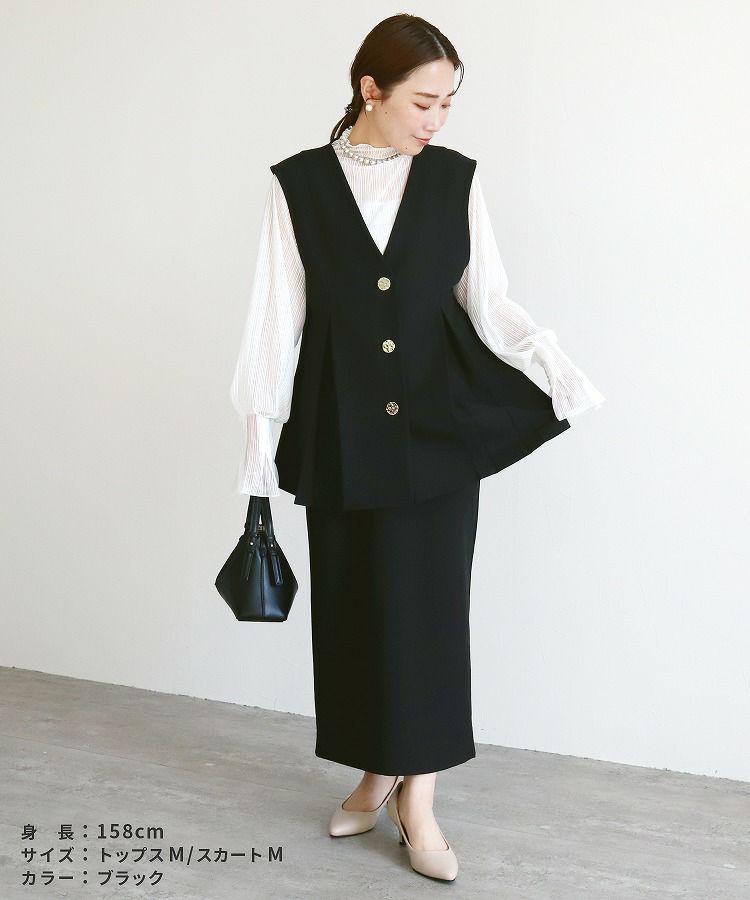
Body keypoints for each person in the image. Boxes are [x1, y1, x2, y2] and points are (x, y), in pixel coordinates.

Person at [229, 14, 605, 883]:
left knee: (430, 615)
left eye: (447, 104)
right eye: (423, 102)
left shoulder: (455, 180)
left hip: (438, 432)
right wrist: (257, 456)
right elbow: (274, 326)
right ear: (371, 90)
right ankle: (374, 772)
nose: (436, 120)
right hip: (340, 432)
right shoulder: (298, 186)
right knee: (355, 610)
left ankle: (418, 799)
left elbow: (489, 299)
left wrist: (555, 370)